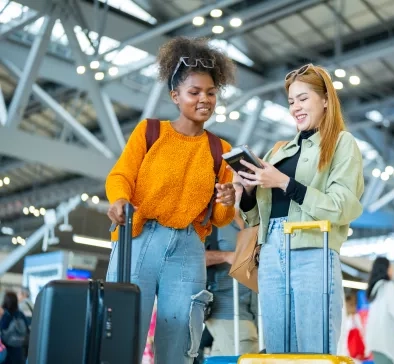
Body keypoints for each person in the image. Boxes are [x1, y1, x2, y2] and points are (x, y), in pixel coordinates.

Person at [105, 36, 237, 363]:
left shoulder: (221, 150)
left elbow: (220, 218)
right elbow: (120, 175)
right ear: (175, 96)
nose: (204, 99)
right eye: (194, 93)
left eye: (210, 93)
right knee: (124, 329)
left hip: (189, 248)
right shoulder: (150, 132)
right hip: (139, 237)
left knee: (180, 338)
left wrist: (227, 198)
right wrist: (120, 199)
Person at [236, 63, 365, 353]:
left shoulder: (342, 144)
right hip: (270, 252)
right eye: (291, 101)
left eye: (303, 98)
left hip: (313, 248)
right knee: (277, 349)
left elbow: (342, 206)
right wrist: (246, 191)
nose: (296, 107)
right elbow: (257, 216)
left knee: (314, 347)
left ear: (325, 100)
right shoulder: (278, 151)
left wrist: (283, 182)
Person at [205, 184, 259, 355]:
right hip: (225, 308)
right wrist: (226, 256)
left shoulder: (254, 221)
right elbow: (189, 258)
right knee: (247, 354)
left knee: (222, 358)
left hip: (252, 310)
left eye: (244, 186)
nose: (239, 191)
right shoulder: (212, 222)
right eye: (236, 185)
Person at [0, 291, 28, 364]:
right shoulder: (20, 314)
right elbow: (27, 329)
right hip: (19, 351)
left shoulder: (5, 315)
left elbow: (2, 329)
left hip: (7, 351)